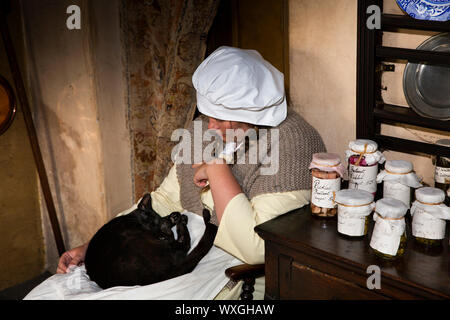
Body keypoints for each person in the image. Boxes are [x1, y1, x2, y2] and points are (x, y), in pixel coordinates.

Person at [56, 46, 326, 299]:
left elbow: (257, 247)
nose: (209, 127)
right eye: (207, 115)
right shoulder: (206, 128)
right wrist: (91, 247)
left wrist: (217, 169)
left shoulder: (293, 142)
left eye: (218, 118)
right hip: (187, 248)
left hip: (239, 270)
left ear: (247, 111)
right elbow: (163, 200)